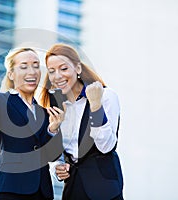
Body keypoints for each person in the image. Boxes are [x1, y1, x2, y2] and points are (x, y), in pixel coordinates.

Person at [0, 47, 65, 200]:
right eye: (24, 66)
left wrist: (53, 130)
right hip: (10, 190)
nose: (32, 71)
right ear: (11, 74)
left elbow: (52, 155)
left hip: (42, 193)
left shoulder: (44, 112)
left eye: (35, 65)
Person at [40, 43, 124, 200]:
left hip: (104, 189)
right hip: (73, 188)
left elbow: (106, 146)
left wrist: (96, 106)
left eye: (63, 69)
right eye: (52, 71)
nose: (57, 76)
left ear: (78, 68)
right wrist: (58, 167)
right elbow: (57, 154)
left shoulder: (106, 96)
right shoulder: (56, 106)